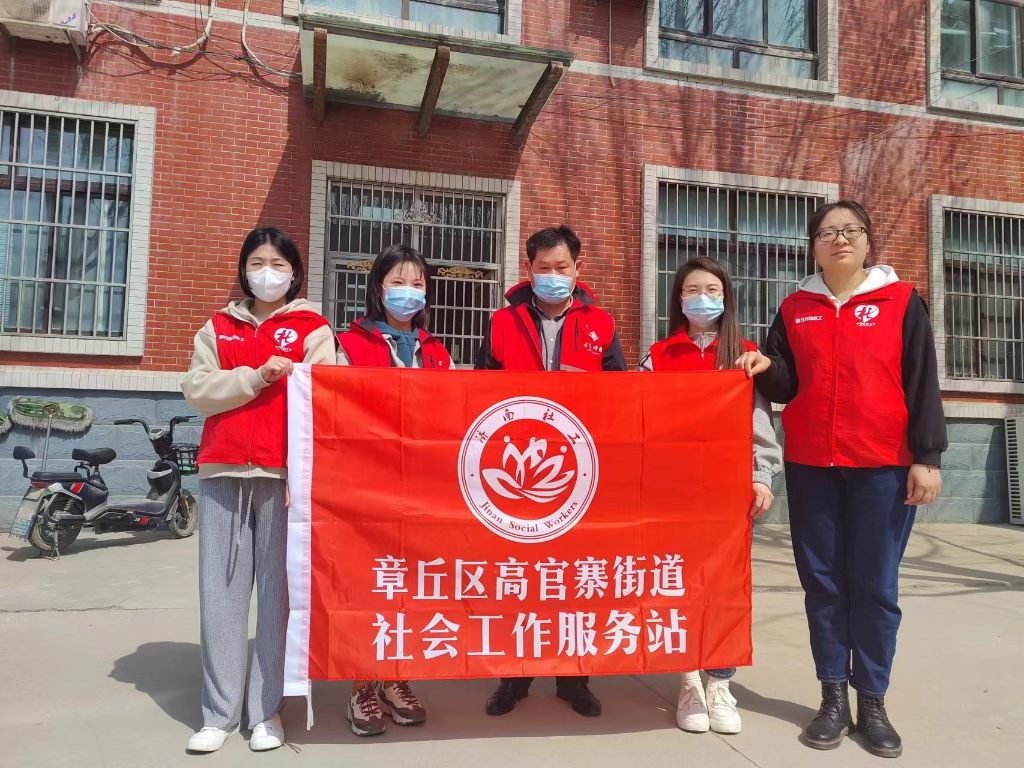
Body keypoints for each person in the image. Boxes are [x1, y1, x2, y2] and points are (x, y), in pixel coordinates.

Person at [737, 201, 947, 758]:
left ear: (868, 241)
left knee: (874, 586)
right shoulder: (795, 307)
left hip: (884, 466)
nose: (840, 239)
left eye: (851, 230)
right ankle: (833, 698)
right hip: (813, 467)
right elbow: (786, 385)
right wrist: (765, 367)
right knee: (824, 584)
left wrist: (928, 455)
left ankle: (872, 700)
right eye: (827, 232)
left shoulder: (901, 301)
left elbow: (922, 378)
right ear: (813, 246)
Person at [181, 227, 336, 753]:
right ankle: (218, 714)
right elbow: (198, 389)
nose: (266, 273)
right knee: (220, 595)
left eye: (277, 264)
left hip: (283, 477)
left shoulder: (313, 329)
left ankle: (267, 711)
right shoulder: (219, 326)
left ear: (294, 273)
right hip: (223, 471)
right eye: (256, 263)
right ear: (244, 269)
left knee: (277, 600)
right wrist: (255, 377)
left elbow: (326, 398)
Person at [476, 224, 626, 717]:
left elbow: (621, 394)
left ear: (578, 268)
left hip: (579, 471)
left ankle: (574, 678)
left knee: (573, 579)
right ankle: (513, 678)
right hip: (514, 470)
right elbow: (478, 393)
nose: (553, 276)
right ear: (530, 270)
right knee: (518, 578)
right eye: (544, 268)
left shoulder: (601, 323)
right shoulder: (503, 322)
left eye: (562, 267)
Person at [638, 256, 782, 735]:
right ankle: (688, 681)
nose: (703, 298)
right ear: (678, 299)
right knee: (675, 584)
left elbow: (760, 423)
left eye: (712, 290)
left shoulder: (745, 355)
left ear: (726, 298)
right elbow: (635, 417)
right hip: (670, 493)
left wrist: (762, 475)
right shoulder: (658, 356)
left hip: (727, 493)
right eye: (693, 290)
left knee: (723, 589)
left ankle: (719, 681)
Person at [335, 243, 450, 736]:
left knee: (409, 587)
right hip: (364, 487)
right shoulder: (348, 344)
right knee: (367, 584)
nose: (409, 292)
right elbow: (335, 413)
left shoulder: (436, 352)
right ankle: (361, 685)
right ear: (378, 289)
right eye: (398, 282)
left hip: (419, 488)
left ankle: (397, 678)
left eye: (417, 283)